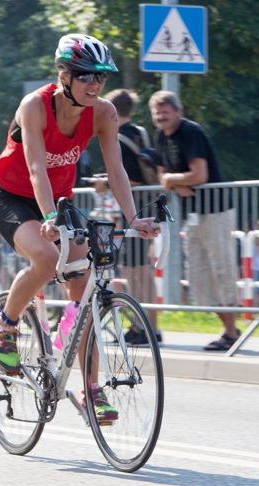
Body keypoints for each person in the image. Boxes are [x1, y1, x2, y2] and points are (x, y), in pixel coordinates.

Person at [0, 34, 157, 421]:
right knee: (47, 258)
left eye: (100, 76)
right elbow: (36, 169)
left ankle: (91, 388)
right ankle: (7, 324)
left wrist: (133, 218)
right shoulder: (34, 106)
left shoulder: (104, 113)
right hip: (15, 197)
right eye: (85, 75)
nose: (94, 84)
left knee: (86, 289)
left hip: (60, 202)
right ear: (63, 75)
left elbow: (116, 169)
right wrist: (49, 218)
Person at [149, 90, 239, 351]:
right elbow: (161, 174)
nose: (161, 117)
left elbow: (199, 175)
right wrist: (176, 182)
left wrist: (172, 180)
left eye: (166, 112)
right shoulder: (160, 135)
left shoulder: (191, 132)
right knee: (199, 274)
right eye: (157, 113)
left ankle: (231, 332)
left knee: (221, 269)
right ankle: (230, 331)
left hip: (215, 210)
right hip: (193, 214)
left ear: (179, 111)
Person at [105, 88, 161, 345]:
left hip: (134, 208)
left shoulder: (118, 137)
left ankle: (144, 327)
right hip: (146, 204)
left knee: (135, 270)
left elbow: (128, 178)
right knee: (140, 270)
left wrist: (105, 183)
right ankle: (147, 325)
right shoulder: (141, 133)